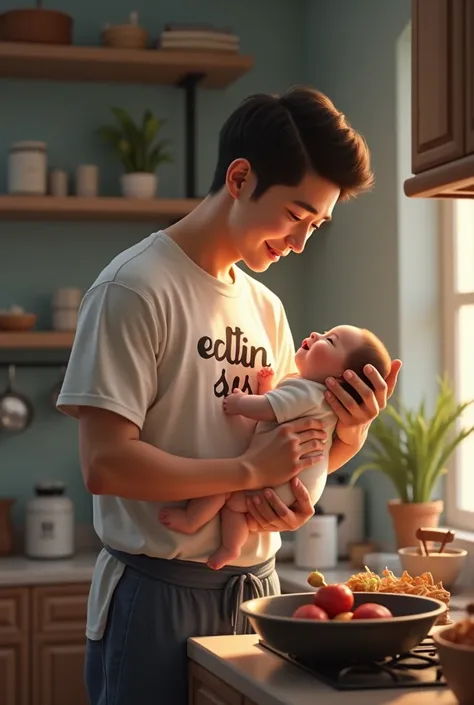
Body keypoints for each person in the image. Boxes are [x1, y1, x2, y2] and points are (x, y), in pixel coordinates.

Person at [56, 86, 402, 705]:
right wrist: (247, 470)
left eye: (315, 226)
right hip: (157, 590)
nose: (300, 243)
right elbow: (105, 465)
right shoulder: (133, 289)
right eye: (296, 216)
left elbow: (290, 450)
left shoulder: (266, 308)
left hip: (258, 590)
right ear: (240, 178)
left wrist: (345, 437)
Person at [160, 325, 391, 570]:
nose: (315, 335)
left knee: (222, 487)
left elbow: (268, 409)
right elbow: (279, 411)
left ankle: (192, 519)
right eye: (324, 333)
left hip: (284, 482)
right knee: (235, 506)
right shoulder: (316, 399)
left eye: (330, 341)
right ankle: (231, 548)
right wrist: (267, 386)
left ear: (343, 379)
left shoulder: (309, 391)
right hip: (295, 487)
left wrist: (240, 402)